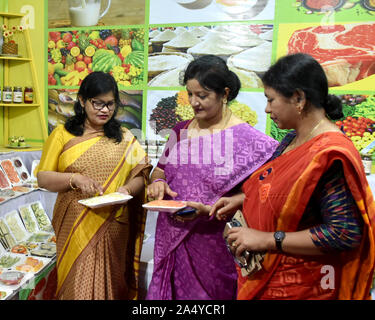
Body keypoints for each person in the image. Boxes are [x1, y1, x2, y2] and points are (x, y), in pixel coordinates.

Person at [211, 53, 375, 300]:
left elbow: (343, 233)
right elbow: (284, 192)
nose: (266, 109)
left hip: (303, 286)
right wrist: (243, 199)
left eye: (271, 100)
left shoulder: (329, 155)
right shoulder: (292, 139)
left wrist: (267, 240)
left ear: (298, 99)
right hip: (270, 277)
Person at [145, 55, 279, 300]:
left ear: (224, 93)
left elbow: (266, 194)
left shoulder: (250, 141)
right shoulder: (180, 130)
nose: (194, 103)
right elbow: (160, 171)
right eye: (190, 94)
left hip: (214, 242)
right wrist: (158, 183)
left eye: (203, 96)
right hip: (172, 237)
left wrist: (212, 207)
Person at [36, 72, 152, 300]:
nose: (104, 110)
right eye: (97, 103)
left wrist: (127, 190)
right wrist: (75, 179)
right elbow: (43, 178)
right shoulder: (62, 134)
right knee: (77, 286)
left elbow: (142, 173)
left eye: (110, 104)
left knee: (112, 284)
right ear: (81, 100)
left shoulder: (125, 136)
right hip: (75, 224)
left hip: (114, 223)